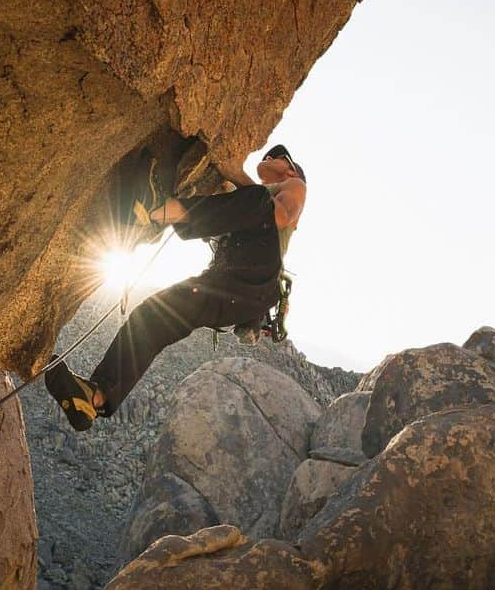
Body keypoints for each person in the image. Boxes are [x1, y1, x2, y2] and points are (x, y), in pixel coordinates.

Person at [45, 144, 307, 431]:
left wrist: (235, 172)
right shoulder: (246, 200)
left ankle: (158, 210)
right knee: (154, 315)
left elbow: (278, 214)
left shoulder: (295, 186)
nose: (268, 157)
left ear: (291, 169)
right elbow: (235, 211)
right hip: (227, 287)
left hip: (255, 282)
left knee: (257, 198)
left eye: (278, 156)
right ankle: (95, 397)